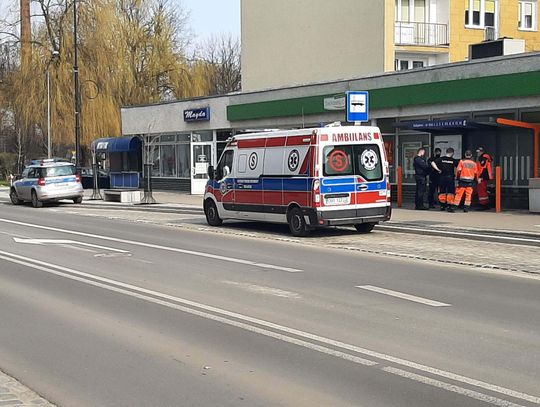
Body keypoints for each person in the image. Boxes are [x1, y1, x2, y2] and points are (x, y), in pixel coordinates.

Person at [431, 147, 458, 212]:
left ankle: (442, 206)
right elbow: (457, 168)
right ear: (452, 153)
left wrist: (438, 170)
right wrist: (456, 175)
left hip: (442, 177)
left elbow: (432, 163)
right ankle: (449, 206)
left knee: (442, 191)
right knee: (450, 192)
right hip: (450, 178)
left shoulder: (441, 159)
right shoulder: (453, 160)